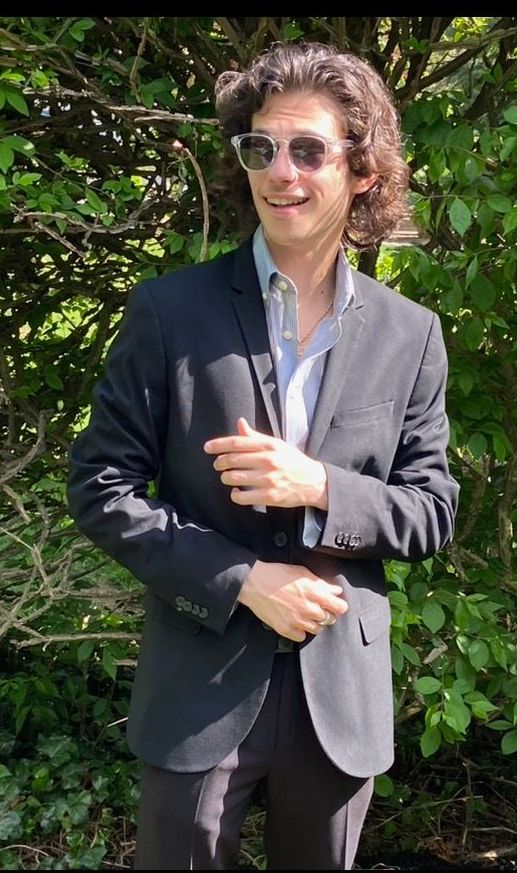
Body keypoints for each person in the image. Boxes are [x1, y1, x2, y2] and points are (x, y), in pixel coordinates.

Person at [67, 41, 459, 871]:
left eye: (308, 149)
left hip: (337, 699)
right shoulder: (170, 312)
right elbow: (100, 485)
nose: (281, 172)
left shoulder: (410, 335)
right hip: (197, 687)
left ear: (361, 170)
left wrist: (319, 486)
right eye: (261, 147)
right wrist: (241, 578)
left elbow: (430, 510)